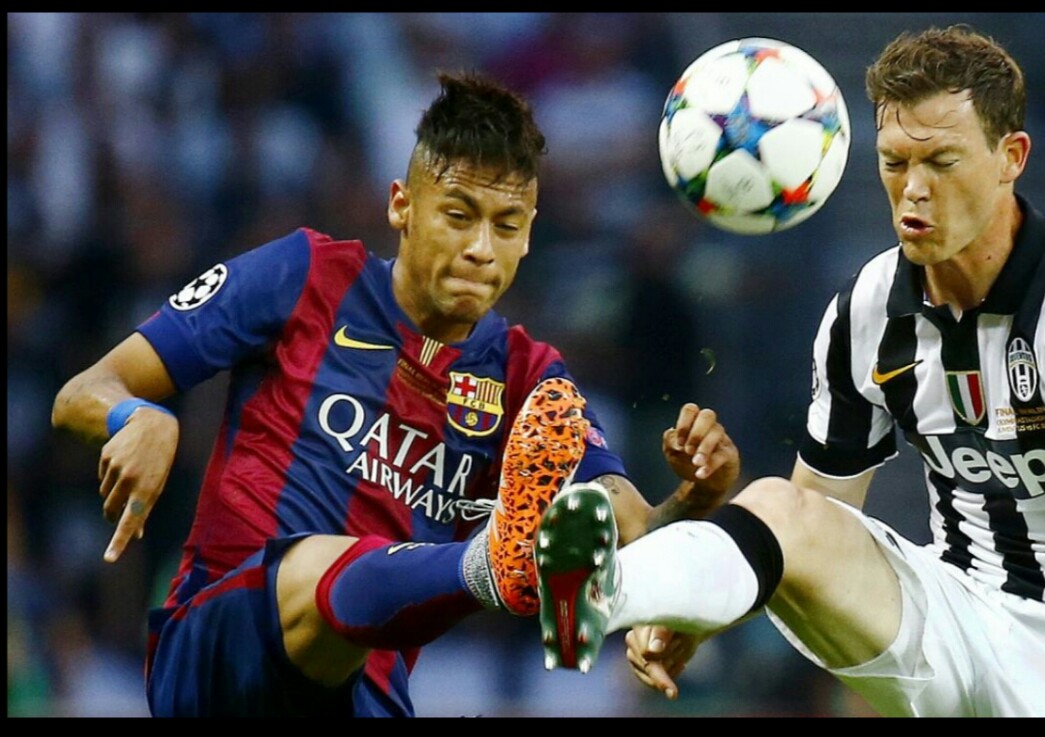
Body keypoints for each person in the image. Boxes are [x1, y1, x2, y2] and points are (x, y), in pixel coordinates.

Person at [535, 25, 1045, 717]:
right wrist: (701, 608)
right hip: (960, 619)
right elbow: (811, 527)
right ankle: (603, 590)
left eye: (942, 161)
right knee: (778, 503)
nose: (913, 191)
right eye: (894, 162)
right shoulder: (865, 309)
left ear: (1010, 157)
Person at [49, 72, 740, 717]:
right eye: (459, 215)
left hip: (362, 695)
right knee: (315, 560)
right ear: (401, 205)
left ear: (528, 235)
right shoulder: (304, 275)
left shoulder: (530, 379)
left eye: (505, 225)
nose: (480, 249)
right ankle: (491, 567)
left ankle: (501, 564)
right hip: (219, 649)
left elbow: (620, 520)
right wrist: (135, 416)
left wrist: (692, 499)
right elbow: (84, 390)